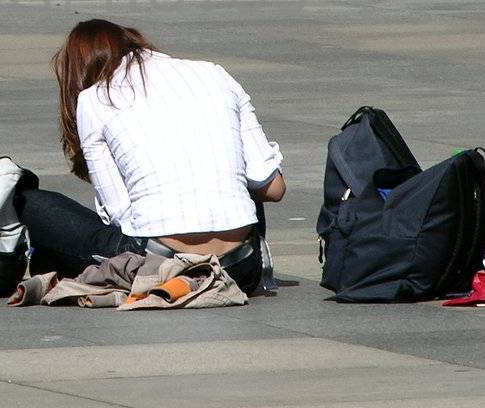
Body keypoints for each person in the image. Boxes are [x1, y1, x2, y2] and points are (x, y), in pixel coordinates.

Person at [16, 18, 286, 296]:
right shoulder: (216, 74)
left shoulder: (94, 98)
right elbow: (274, 187)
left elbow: (120, 215)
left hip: (156, 262)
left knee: (30, 203)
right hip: (241, 266)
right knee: (242, 176)